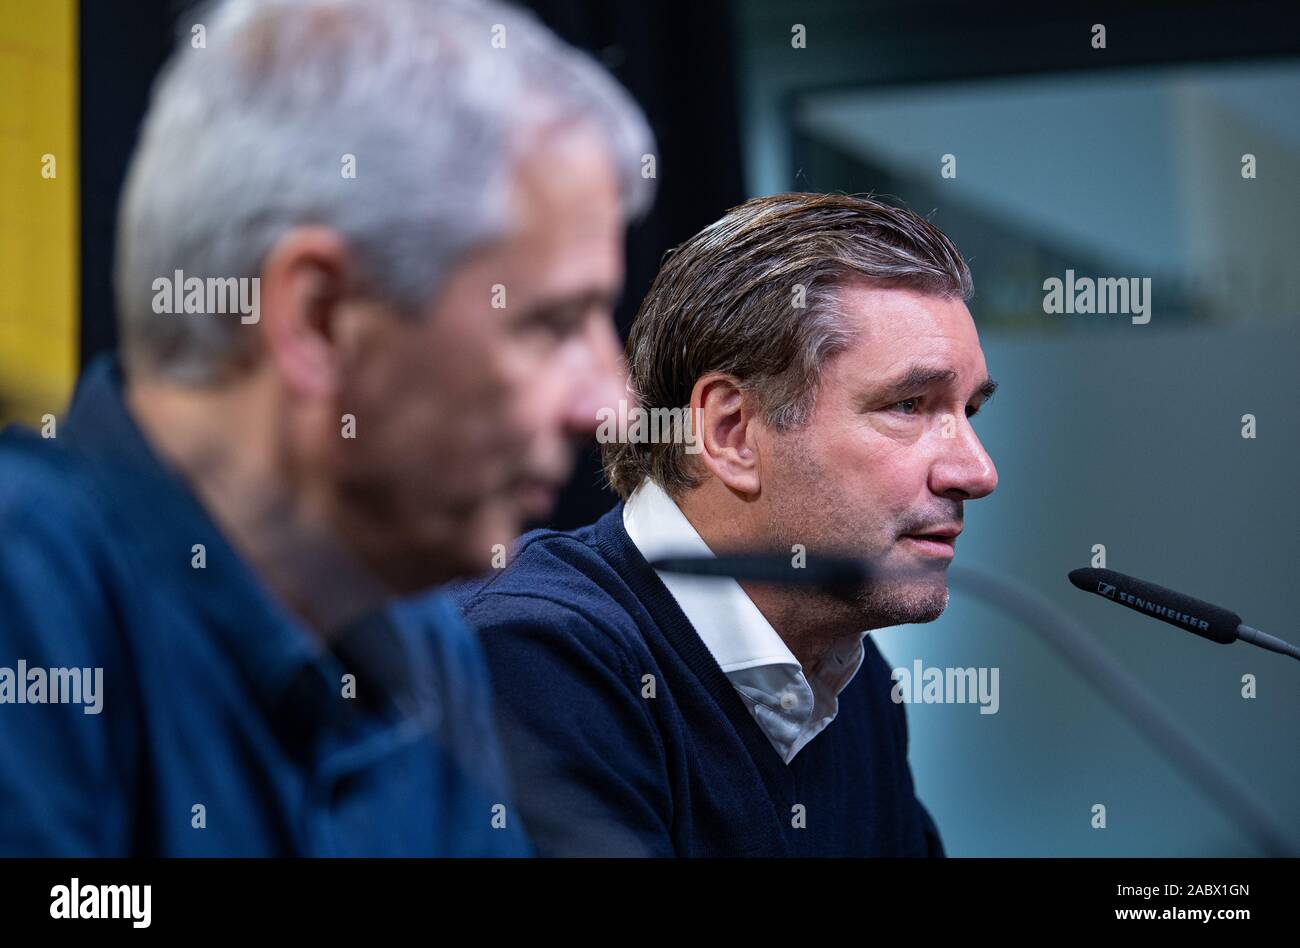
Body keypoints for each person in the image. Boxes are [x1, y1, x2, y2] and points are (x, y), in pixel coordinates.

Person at [0, 0, 653, 855]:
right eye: (553, 323)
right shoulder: (28, 599)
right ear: (318, 318)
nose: (610, 406)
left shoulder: (416, 637)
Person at [452, 192, 999, 856]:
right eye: (909, 405)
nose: (977, 471)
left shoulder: (852, 680)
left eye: (970, 409)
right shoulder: (536, 658)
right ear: (732, 432)